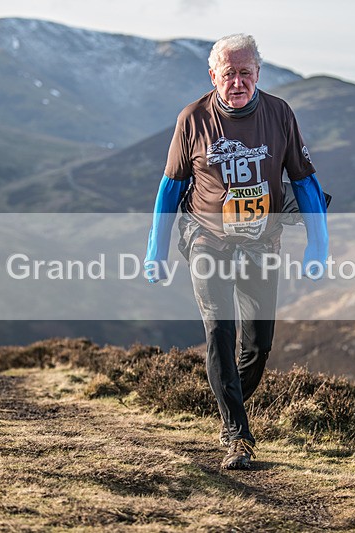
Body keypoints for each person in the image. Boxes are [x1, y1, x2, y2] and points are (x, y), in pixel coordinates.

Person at [144, 34, 329, 470]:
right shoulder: (193, 119)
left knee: (259, 346)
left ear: (258, 74)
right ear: (214, 76)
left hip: (262, 243)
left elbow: (304, 182)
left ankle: (228, 404)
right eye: (229, 73)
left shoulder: (279, 114)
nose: (239, 81)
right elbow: (169, 188)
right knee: (220, 332)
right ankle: (237, 434)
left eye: (246, 73)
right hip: (207, 238)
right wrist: (157, 250)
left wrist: (320, 246)